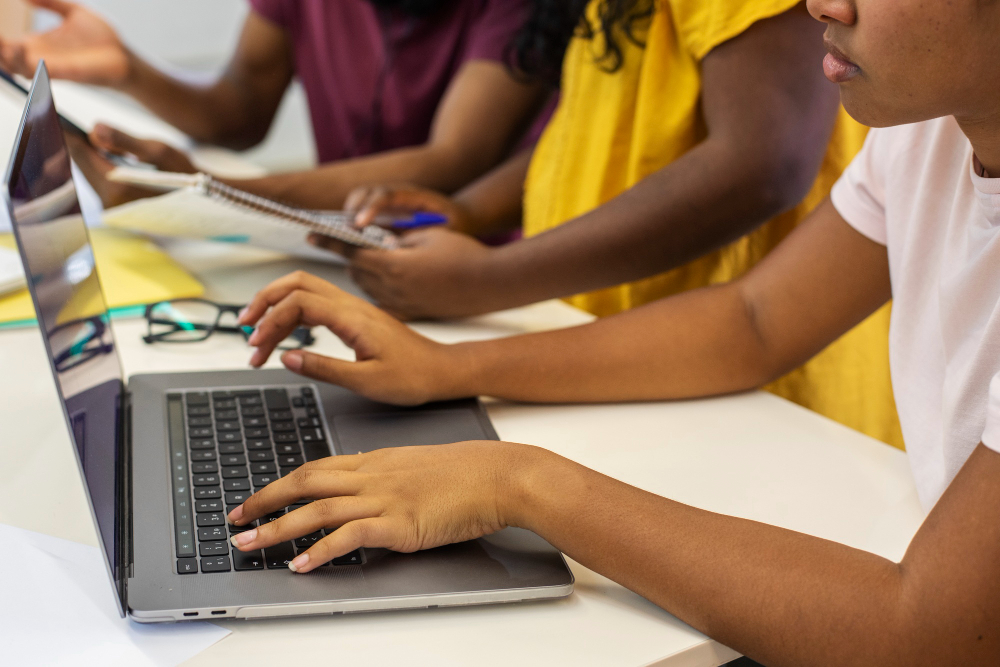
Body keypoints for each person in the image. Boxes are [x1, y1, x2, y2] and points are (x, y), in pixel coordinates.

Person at [224, 0, 1000, 661]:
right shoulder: (923, 135)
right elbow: (753, 321)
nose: (820, 4)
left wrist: (521, 482)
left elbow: (922, 633)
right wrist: (447, 365)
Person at [309, 0, 902, 448]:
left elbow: (763, 164)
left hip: (753, 397)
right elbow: (591, 132)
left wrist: (486, 279)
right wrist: (467, 211)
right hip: (623, 361)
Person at [0, 0, 549, 208]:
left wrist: (204, 191)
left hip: (479, 263)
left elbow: (453, 160)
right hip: (343, 248)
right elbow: (240, 113)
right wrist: (128, 70)